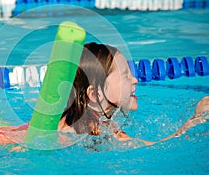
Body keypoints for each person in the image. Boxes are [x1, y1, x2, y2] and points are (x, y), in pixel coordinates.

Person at [58, 42, 209, 145]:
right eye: (125, 76)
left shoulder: (60, 120)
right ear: (95, 94)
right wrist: (196, 119)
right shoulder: (105, 131)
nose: (135, 80)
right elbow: (155, 147)